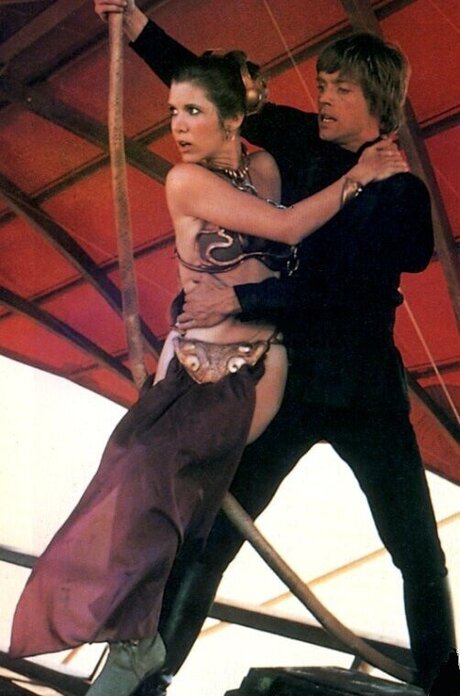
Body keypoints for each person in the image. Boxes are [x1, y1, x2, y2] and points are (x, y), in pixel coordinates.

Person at [8, 43, 403, 696]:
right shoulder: (186, 180)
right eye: (174, 112)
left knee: (160, 478)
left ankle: (139, 648)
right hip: (192, 362)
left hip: (258, 366)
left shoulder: (267, 169)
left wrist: (363, 176)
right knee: (135, 466)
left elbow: (292, 234)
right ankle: (138, 646)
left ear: (233, 118)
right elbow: (243, 254)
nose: (179, 127)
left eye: (194, 111)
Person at [93, 4, 458, 696]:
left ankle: (445, 683)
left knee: (417, 550)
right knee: (216, 537)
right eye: (322, 84)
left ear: (378, 101)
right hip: (287, 384)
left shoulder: (402, 192)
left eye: (341, 89)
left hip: (366, 394)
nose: (323, 97)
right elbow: (211, 93)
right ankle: (151, 678)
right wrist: (134, 23)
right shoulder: (297, 139)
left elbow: (352, 282)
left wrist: (244, 299)